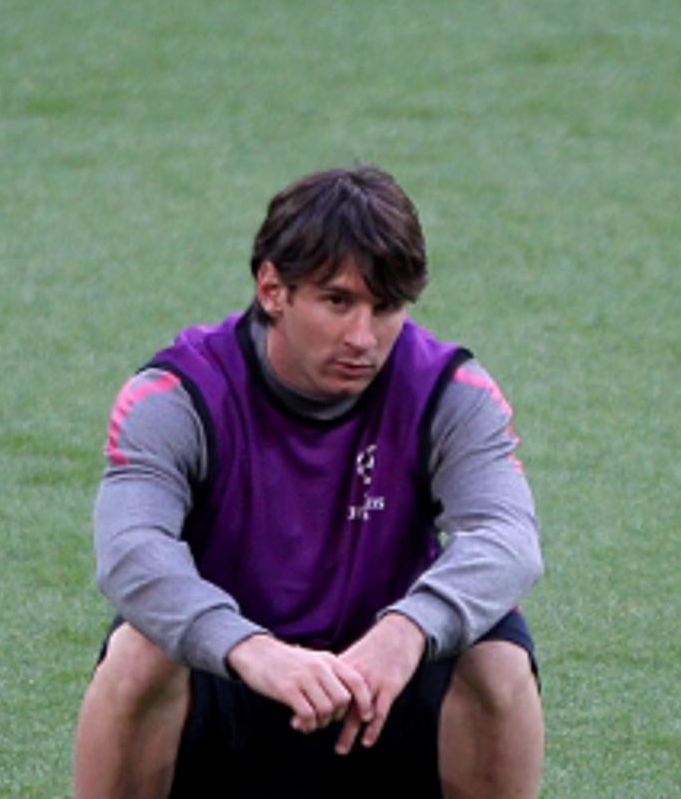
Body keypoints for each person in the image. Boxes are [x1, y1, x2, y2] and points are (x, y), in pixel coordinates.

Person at [73, 165, 544, 798]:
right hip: (234, 688)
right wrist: (248, 647)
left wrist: (404, 634)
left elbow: (508, 536)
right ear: (272, 288)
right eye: (338, 301)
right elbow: (131, 552)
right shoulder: (178, 394)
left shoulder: (448, 391)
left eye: (387, 308)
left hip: (379, 695)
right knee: (139, 654)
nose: (363, 338)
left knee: (497, 659)